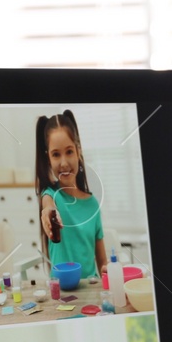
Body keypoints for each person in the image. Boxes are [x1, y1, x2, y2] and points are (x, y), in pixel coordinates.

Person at [35, 111, 107, 281]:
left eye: (69, 152)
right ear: (48, 159)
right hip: (61, 294)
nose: (64, 163)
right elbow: (48, 205)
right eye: (56, 154)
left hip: (90, 292)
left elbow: (102, 261)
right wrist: (48, 212)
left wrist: (107, 268)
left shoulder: (93, 205)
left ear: (78, 151)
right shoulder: (51, 195)